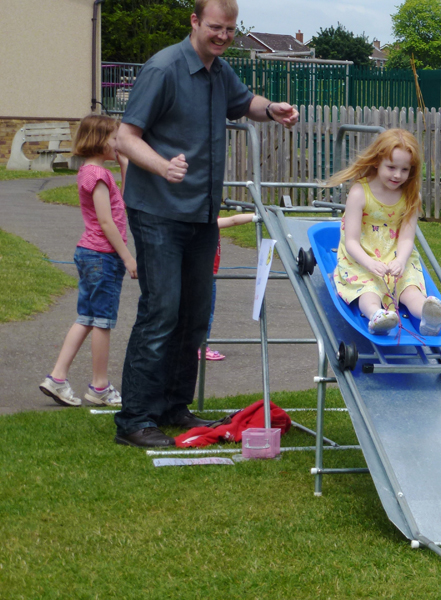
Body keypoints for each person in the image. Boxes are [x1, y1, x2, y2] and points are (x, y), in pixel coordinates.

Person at [113, 0, 299, 448]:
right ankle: (136, 418)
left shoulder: (219, 71)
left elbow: (244, 102)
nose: (223, 36)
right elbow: (124, 136)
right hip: (158, 210)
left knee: (194, 317)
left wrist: (272, 107)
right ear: (194, 21)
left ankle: (174, 406)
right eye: (216, 27)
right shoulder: (164, 69)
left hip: (201, 214)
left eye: (231, 29)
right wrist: (162, 166)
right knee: (162, 312)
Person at [39, 115, 137, 407]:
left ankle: (57, 378)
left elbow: (126, 200)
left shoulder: (92, 171)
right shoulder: (97, 175)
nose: (118, 143)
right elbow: (107, 222)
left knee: (87, 318)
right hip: (102, 257)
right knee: (102, 322)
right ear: (98, 140)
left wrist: (123, 165)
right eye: (114, 138)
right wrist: (128, 257)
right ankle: (99, 386)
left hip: (92, 254)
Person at [327, 128, 441, 336]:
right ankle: (377, 315)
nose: (397, 175)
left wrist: (400, 261)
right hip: (362, 258)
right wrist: (370, 263)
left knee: (409, 288)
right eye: (391, 167)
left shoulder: (410, 195)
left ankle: (427, 316)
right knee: (368, 289)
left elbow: (407, 237)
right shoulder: (359, 193)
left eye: (404, 169)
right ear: (376, 162)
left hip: (395, 256)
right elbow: (351, 241)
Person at [201, 211, 257, 361]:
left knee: (203, 313)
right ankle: (201, 347)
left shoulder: (208, 218)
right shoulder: (207, 221)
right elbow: (233, 220)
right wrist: (255, 215)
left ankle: (197, 346)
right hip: (205, 275)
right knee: (206, 314)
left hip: (207, 274)